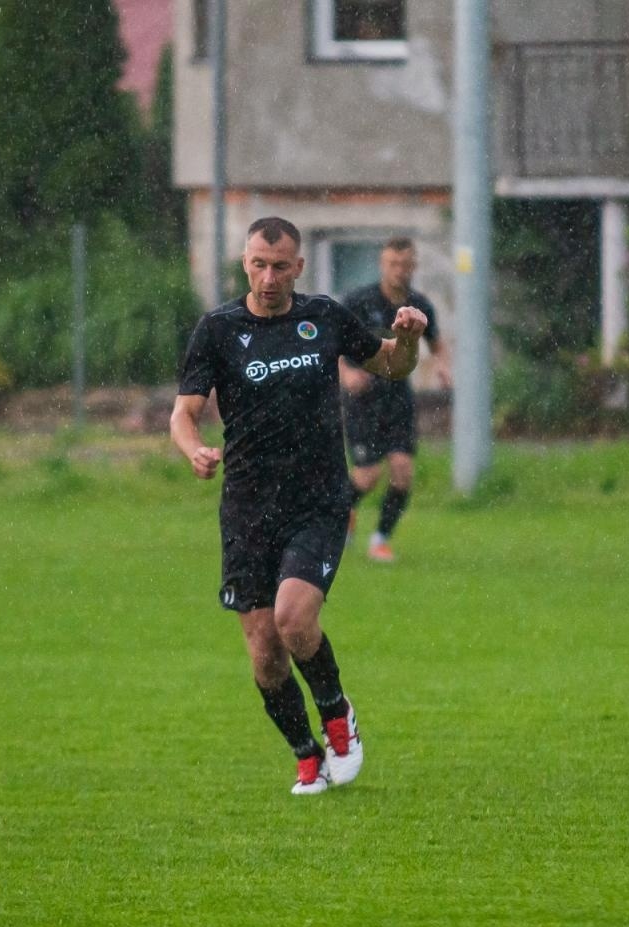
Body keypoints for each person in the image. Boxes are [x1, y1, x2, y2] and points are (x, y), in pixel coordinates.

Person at [170, 217, 427, 795]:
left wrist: (408, 337)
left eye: (280, 265)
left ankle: (338, 718)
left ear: (299, 267)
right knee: (265, 655)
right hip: (246, 509)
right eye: (258, 264)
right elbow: (183, 413)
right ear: (244, 262)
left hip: (318, 500)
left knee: (293, 619)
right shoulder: (217, 329)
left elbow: (391, 364)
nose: (268, 277)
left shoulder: (324, 317)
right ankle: (305, 752)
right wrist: (194, 450)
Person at [338, 237, 451, 563]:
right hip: (362, 399)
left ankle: (380, 540)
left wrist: (443, 365)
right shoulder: (359, 302)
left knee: (403, 470)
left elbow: (437, 343)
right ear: (382, 265)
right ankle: (344, 511)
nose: (399, 271)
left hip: (398, 396)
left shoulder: (420, 306)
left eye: (405, 264)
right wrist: (346, 373)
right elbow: (334, 342)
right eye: (393, 264)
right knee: (367, 475)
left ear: (414, 267)